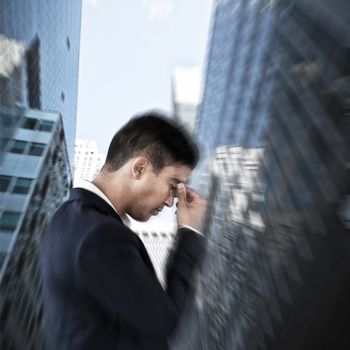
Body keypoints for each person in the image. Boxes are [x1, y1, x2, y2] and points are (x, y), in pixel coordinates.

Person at [39, 111, 207, 350]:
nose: (172, 202)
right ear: (139, 169)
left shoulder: (69, 219)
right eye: (172, 185)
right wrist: (190, 231)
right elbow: (165, 324)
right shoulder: (100, 236)